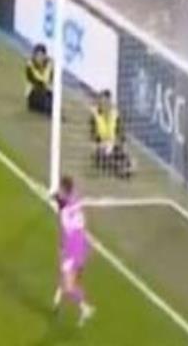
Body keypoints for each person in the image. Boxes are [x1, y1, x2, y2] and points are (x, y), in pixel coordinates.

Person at [52, 176, 95, 327]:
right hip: (84, 245)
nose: (59, 191)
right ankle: (58, 298)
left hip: (72, 249)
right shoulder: (76, 200)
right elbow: (67, 201)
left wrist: (62, 249)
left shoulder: (65, 213)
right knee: (72, 277)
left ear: (65, 190)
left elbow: (66, 232)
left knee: (70, 285)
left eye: (60, 189)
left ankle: (85, 308)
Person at [89, 90, 133, 178]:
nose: (105, 104)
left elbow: (121, 133)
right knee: (105, 158)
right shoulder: (95, 116)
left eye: (107, 101)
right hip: (101, 146)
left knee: (122, 154)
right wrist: (99, 145)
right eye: (102, 101)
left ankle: (126, 167)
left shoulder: (115, 114)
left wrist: (120, 143)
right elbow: (92, 138)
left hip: (113, 144)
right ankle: (119, 169)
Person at [25, 44, 53, 115]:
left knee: (49, 100)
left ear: (45, 56)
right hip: (34, 91)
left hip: (46, 91)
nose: (40, 58)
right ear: (34, 55)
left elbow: (47, 79)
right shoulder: (30, 65)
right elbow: (32, 80)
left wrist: (48, 66)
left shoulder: (48, 64)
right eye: (37, 55)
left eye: (42, 55)